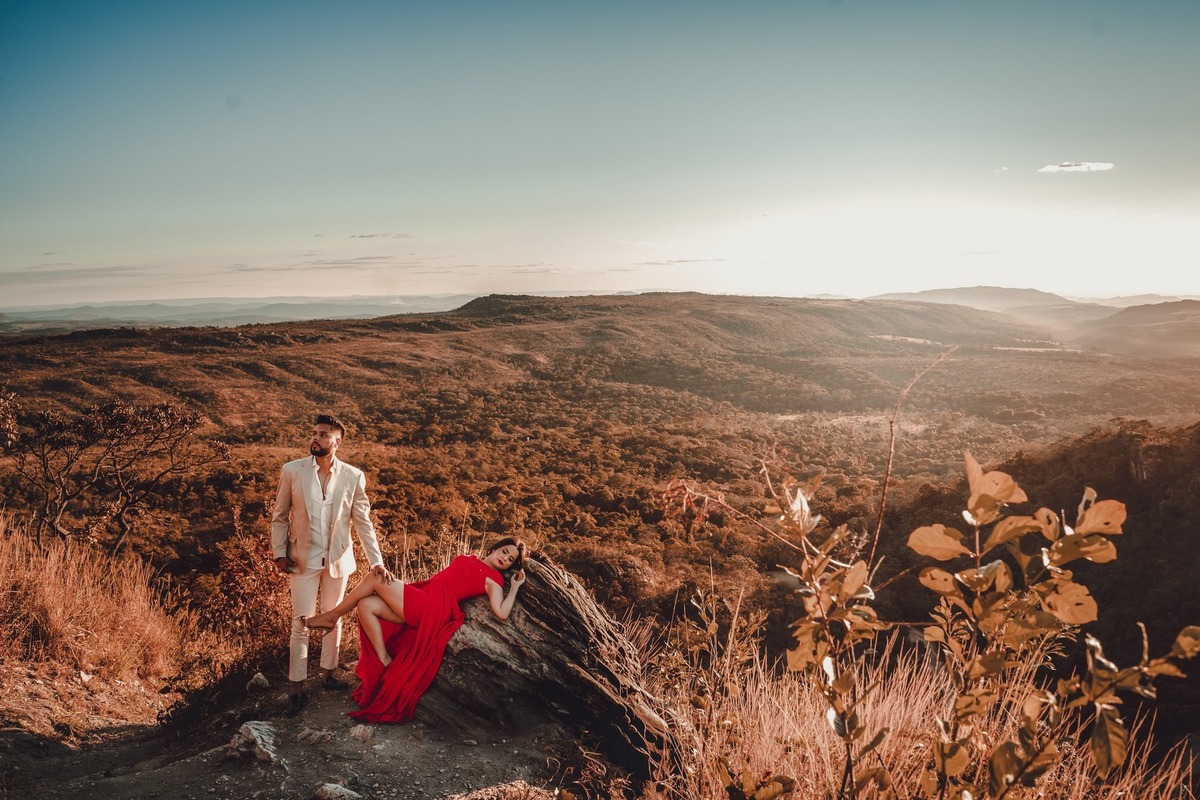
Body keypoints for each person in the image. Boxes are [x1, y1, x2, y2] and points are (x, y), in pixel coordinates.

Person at [302, 538, 527, 724]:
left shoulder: (494, 580)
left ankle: (331, 617)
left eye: (510, 560)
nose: (504, 559)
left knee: (375, 577)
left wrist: (514, 587)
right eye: (504, 551)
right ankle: (384, 658)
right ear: (496, 546)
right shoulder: (469, 559)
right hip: (424, 596)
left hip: (433, 608)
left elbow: (502, 612)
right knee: (366, 605)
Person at [271, 413, 394, 717]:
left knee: (333, 617)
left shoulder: (354, 476)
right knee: (301, 621)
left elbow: (363, 523)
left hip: (338, 560)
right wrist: (278, 553)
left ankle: (327, 674)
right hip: (301, 560)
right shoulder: (292, 471)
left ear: (338, 442)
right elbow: (279, 516)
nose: (316, 437)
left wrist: (376, 561)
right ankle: (297, 688)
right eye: (315, 432)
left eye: (324, 434)